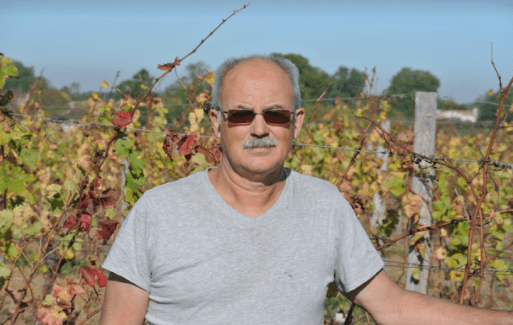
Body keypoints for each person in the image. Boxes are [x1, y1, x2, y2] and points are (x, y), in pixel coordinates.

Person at [99, 55, 512, 325]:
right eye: (241, 114)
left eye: (274, 115)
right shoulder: (159, 212)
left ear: (296, 123)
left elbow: (395, 308)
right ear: (215, 122)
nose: (259, 128)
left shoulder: (323, 205)